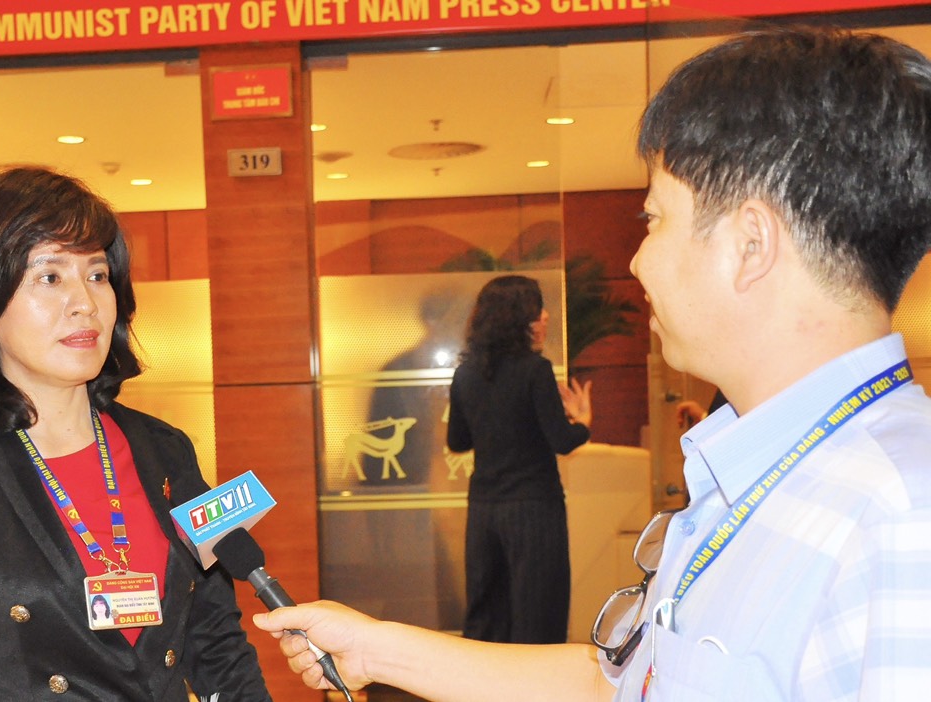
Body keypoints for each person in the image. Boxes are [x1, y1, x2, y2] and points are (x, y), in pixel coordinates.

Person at [253, 26, 931, 701]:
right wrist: (372, 649)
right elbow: (621, 685)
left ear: (749, 245)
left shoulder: (902, 518)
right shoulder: (759, 472)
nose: (636, 261)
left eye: (653, 218)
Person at [0, 167, 270, 700]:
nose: (86, 303)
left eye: (97, 274)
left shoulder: (164, 450)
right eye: (50, 278)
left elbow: (216, 645)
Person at [447, 275, 592, 644]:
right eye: (538, 309)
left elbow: (457, 441)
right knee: (538, 616)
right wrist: (583, 421)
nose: (545, 316)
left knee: (486, 618)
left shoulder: (465, 373)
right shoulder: (535, 370)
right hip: (534, 508)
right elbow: (562, 441)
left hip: (484, 511)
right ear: (519, 318)